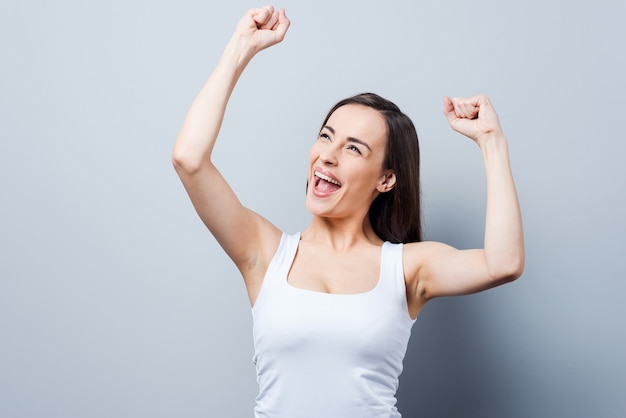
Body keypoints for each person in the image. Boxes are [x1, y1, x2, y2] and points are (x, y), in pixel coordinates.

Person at [172, 5, 524, 418]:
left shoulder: (408, 268)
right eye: (326, 137)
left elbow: (504, 264)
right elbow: (189, 160)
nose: (328, 156)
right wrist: (241, 47)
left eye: (354, 148)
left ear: (386, 179)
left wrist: (491, 143)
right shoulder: (264, 253)